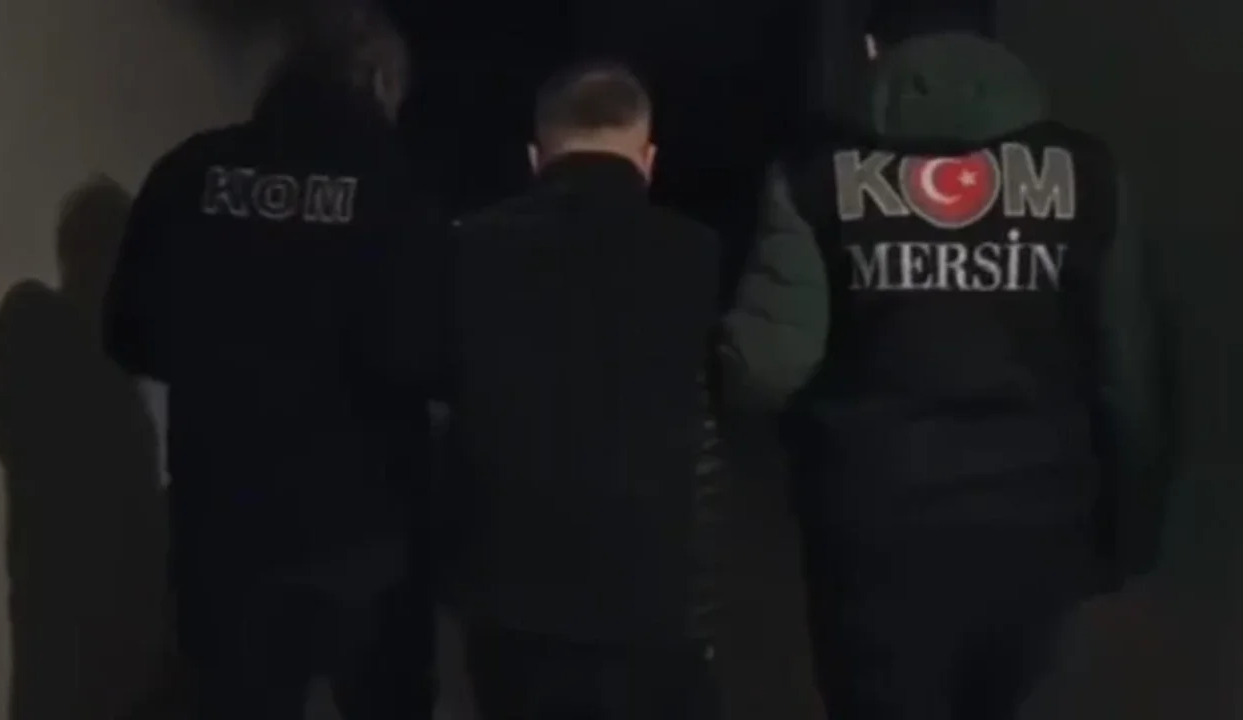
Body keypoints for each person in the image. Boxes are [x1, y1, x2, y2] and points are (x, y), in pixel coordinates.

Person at [720, 2, 1173, 718]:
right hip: (1039, 522)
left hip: (875, 526)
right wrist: (1133, 528)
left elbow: (768, 370)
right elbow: (1130, 375)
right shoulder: (1090, 175)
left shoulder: (815, 176)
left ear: (876, 49)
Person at [102, 9, 442, 719]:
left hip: (222, 523)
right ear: (379, 83)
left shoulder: (191, 171)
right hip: (360, 529)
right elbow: (421, 354)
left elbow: (133, 337)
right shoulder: (397, 188)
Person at [442, 60, 725, 720]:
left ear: (535, 158)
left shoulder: (469, 247)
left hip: (511, 592)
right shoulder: (696, 251)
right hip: (651, 589)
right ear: (648, 159)